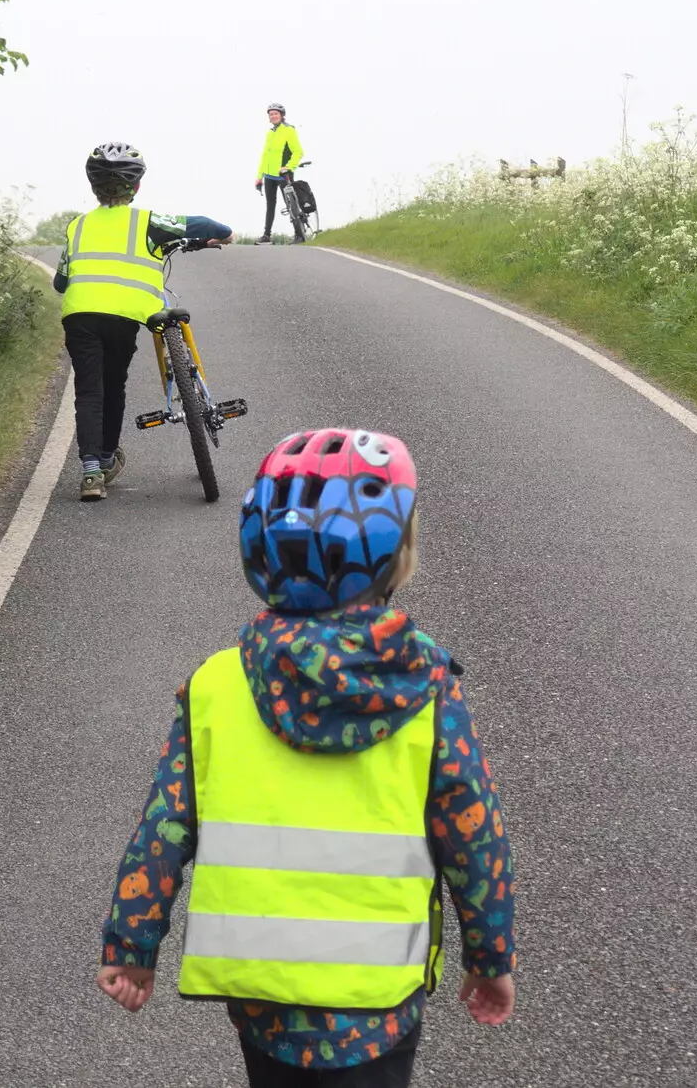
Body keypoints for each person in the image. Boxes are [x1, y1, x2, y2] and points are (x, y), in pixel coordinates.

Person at [97, 428, 517, 1085]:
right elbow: (474, 835)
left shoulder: (217, 683)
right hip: (378, 999)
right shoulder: (426, 687)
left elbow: (165, 827)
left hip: (262, 994)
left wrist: (132, 945)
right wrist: (490, 959)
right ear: (392, 558)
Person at [53, 142, 233, 501]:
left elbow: (60, 281)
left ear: (93, 186)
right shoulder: (148, 221)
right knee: (114, 384)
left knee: (90, 390)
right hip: (123, 318)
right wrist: (222, 237)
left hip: (79, 316)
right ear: (136, 187)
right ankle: (106, 456)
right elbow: (210, 225)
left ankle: (92, 474)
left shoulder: (78, 226)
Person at [254, 102, 306, 244]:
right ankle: (266, 235)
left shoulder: (289, 130)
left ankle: (299, 234)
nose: (273, 116)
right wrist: (259, 177)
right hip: (269, 176)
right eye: (271, 114)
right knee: (270, 205)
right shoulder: (270, 133)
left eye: (276, 113)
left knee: (291, 204)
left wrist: (288, 167)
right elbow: (265, 156)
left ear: (282, 115)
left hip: (284, 175)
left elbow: (298, 152)